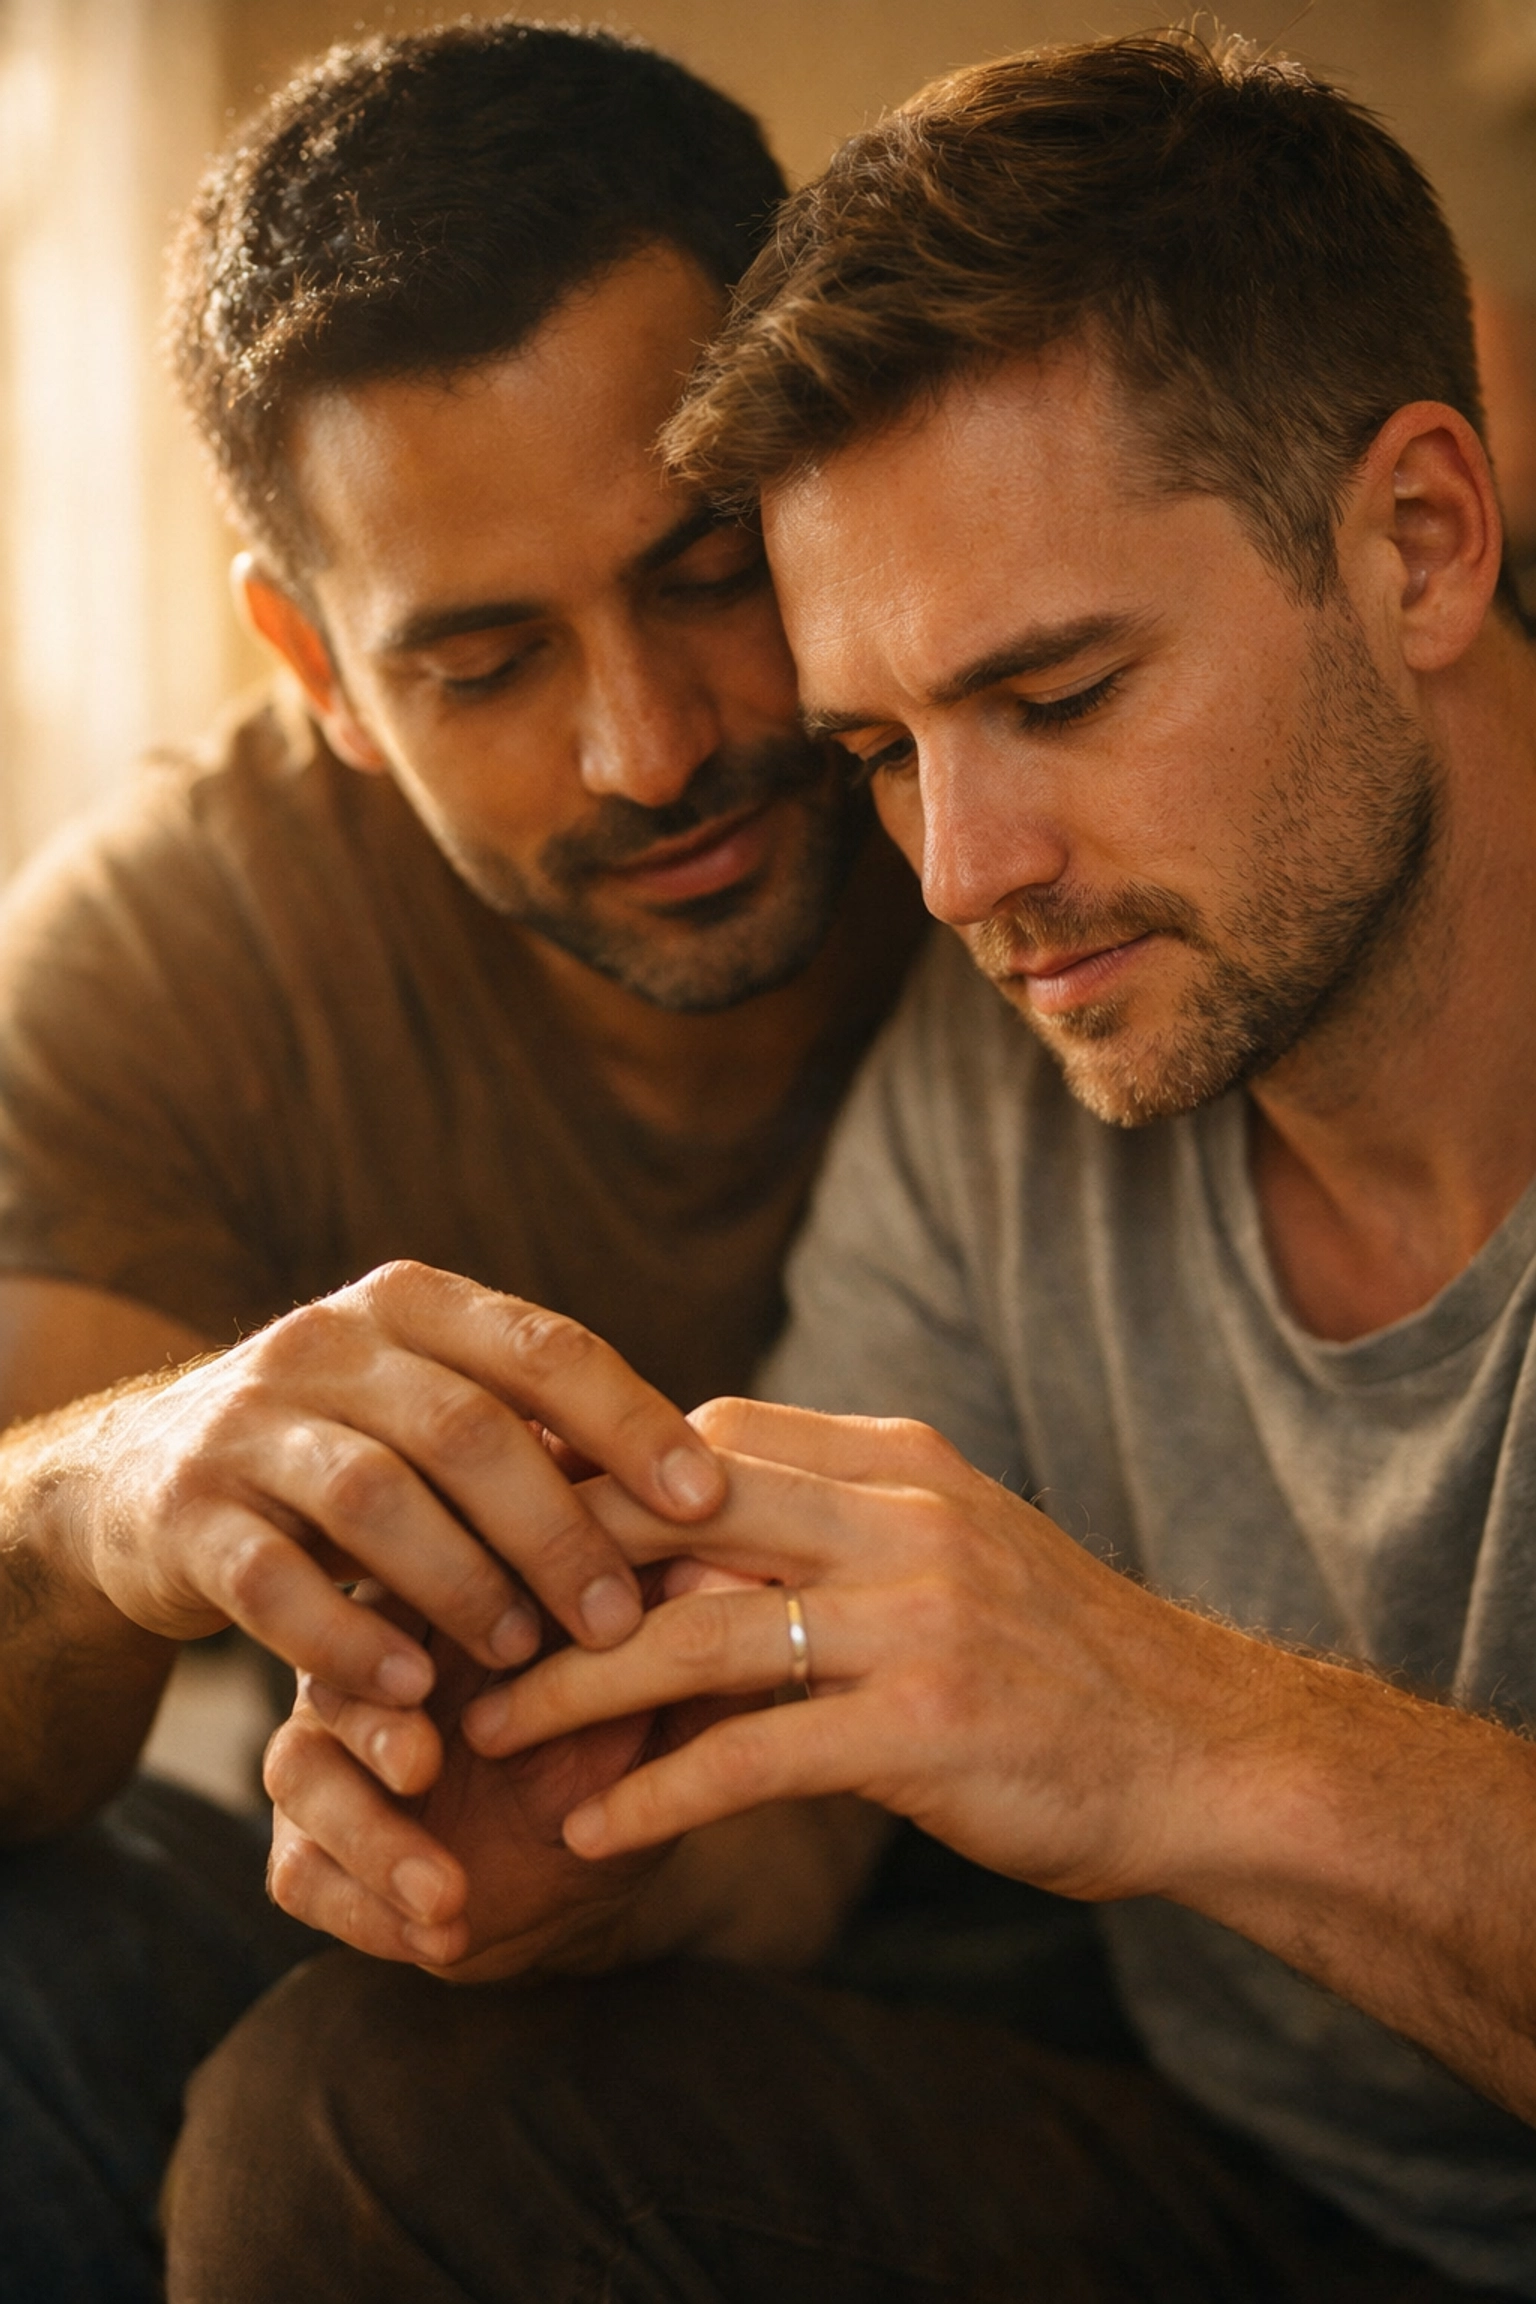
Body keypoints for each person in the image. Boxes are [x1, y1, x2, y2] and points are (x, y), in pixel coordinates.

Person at [166, 27, 1536, 2304]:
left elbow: (1128, 1727)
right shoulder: (1000, 1080)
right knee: (344, 2117)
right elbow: (787, 1846)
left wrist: (1168, 1724)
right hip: (1253, 2194)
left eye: (1065, 692)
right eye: (880, 749)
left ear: (1417, 540)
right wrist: (570, 1851)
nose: (967, 873)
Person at [0, 21, 927, 2301]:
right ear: (310, 661)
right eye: (486, 661)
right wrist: (103, 1492)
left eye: (711, 566)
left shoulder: (1038, 763)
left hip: (1116, 1957)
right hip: (533, 1963)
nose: (656, 746)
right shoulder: (168, 950)